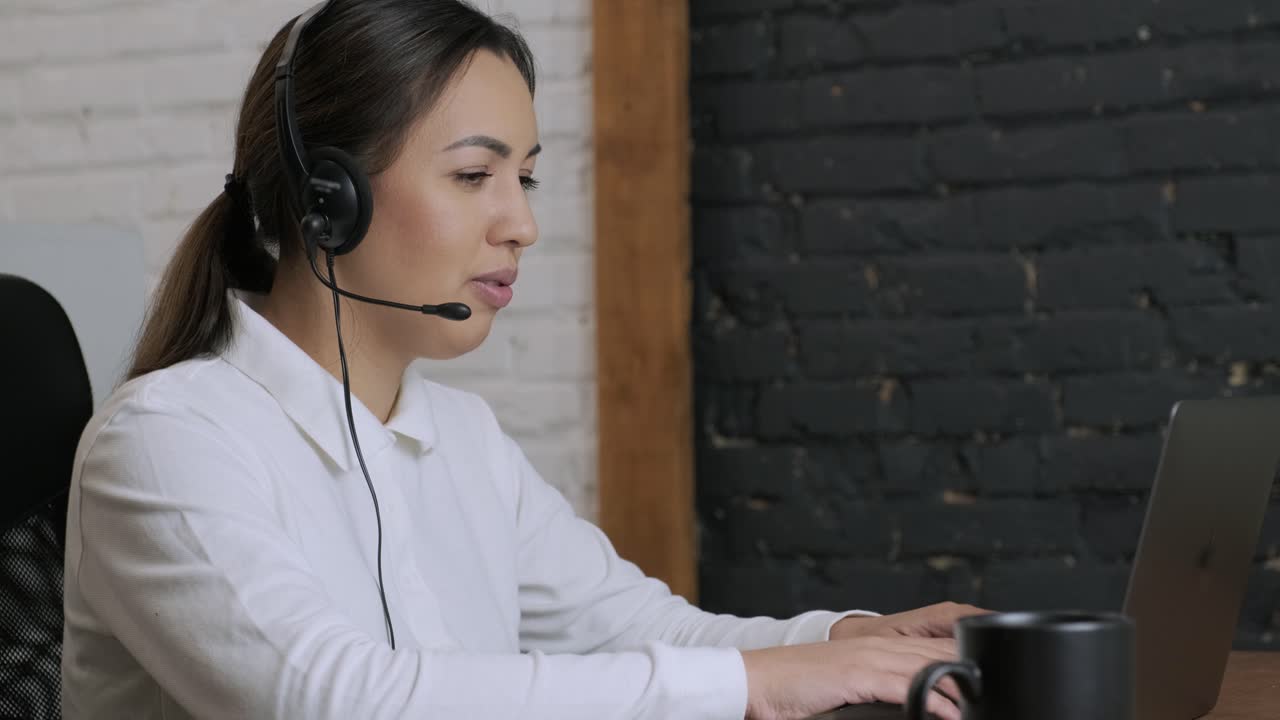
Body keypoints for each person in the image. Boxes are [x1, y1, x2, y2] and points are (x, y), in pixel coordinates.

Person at [60, 1, 984, 718]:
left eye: (525, 177)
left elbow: (648, 632)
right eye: (474, 176)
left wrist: (857, 638)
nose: (524, 225)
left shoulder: (463, 441)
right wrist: (759, 684)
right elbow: (328, 699)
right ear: (324, 200)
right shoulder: (165, 443)